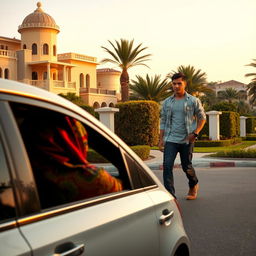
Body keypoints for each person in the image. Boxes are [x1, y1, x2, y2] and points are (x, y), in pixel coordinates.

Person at [158, 72, 206, 200]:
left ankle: (193, 184)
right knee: (167, 166)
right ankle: (171, 197)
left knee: (187, 167)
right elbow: (162, 121)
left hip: (187, 139)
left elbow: (202, 118)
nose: (176, 86)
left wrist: (195, 133)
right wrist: (161, 139)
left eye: (179, 83)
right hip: (170, 139)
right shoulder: (167, 102)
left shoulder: (193, 101)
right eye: (174, 84)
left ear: (185, 84)